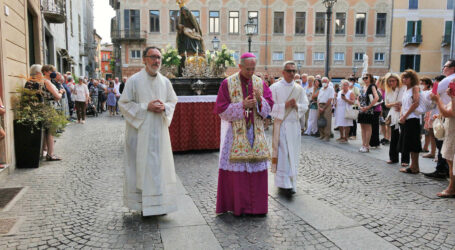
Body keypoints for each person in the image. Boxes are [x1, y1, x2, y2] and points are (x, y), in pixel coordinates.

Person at [119, 46, 178, 216]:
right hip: (139, 134)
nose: (156, 61)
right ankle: (142, 205)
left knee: (159, 168)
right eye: (153, 57)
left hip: (159, 134)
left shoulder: (165, 82)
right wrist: (147, 107)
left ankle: (159, 205)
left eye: (159, 57)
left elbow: (173, 101)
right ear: (144, 59)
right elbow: (124, 104)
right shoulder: (134, 80)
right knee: (140, 167)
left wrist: (164, 107)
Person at [215, 53, 273, 216]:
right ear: (240, 66)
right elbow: (221, 110)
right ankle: (239, 207)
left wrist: (260, 100)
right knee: (237, 175)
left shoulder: (260, 83)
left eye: (253, 68)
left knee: (256, 170)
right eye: (248, 69)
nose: (250, 72)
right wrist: (242, 105)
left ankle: (257, 208)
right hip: (236, 135)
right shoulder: (228, 83)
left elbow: (269, 108)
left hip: (256, 135)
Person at [270, 61, 308, 194]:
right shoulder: (274, 87)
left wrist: (297, 106)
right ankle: (283, 182)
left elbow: (305, 105)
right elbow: (269, 107)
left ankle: (291, 181)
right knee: (283, 153)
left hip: (294, 126)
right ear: (283, 72)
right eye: (289, 71)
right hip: (281, 124)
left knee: (293, 153)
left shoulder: (299, 89)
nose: (292, 73)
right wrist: (285, 105)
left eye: (294, 71)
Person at [424, 60, 455, 179]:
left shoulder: (448, 80)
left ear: (452, 68)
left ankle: (442, 170)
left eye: (445, 66)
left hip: (445, 114)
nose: (443, 68)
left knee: (443, 144)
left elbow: (432, 95)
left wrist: (434, 97)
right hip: (445, 112)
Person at [430, 81, 455, 197]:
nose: (448, 89)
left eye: (451, 87)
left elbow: (448, 113)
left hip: (453, 135)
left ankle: (451, 189)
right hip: (451, 133)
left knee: (451, 162)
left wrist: (437, 99)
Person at [399, 69, 421, 174]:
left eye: (406, 78)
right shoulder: (405, 89)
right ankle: (413, 166)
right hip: (406, 119)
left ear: (412, 79)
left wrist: (405, 115)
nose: (404, 79)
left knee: (414, 143)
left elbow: (416, 103)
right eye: (403, 77)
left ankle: (415, 167)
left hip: (412, 118)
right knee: (409, 144)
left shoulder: (415, 88)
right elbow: (403, 105)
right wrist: (401, 116)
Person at [384, 73, 408, 165]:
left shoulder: (403, 88)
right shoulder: (388, 90)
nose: (391, 83)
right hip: (393, 115)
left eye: (393, 80)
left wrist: (400, 106)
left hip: (403, 114)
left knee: (404, 138)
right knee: (394, 138)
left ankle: (405, 160)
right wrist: (394, 104)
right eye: (389, 81)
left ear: (397, 81)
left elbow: (407, 101)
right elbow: (386, 104)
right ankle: (393, 158)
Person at [41, 65, 64, 160]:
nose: (53, 73)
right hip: (49, 108)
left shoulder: (46, 81)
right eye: (51, 71)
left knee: (48, 131)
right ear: (45, 72)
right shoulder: (47, 82)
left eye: (53, 71)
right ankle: (50, 154)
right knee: (51, 131)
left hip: (47, 107)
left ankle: (46, 151)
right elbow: (57, 96)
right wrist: (61, 92)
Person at [357, 73, 379, 153]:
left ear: (370, 78)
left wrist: (368, 107)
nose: (365, 79)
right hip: (361, 109)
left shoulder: (372, 86)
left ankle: (367, 146)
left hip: (368, 110)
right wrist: (360, 106)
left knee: (368, 127)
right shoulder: (362, 87)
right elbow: (358, 98)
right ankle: (363, 145)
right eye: (363, 78)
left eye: (366, 78)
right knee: (362, 128)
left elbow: (376, 97)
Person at [421, 77, 436, 158]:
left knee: (430, 132)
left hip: (430, 112)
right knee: (428, 131)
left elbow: (430, 103)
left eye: (422, 82)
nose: (421, 84)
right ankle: (427, 148)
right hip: (427, 112)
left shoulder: (430, 92)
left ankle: (428, 148)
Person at [317, 77, 335, 141]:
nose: (324, 83)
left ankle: (327, 136)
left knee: (327, 121)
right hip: (320, 105)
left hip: (326, 105)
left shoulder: (331, 89)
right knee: (319, 120)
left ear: (328, 82)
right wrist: (319, 107)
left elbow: (330, 99)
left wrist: (324, 108)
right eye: (323, 82)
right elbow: (318, 99)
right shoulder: (321, 89)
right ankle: (322, 134)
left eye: (325, 81)